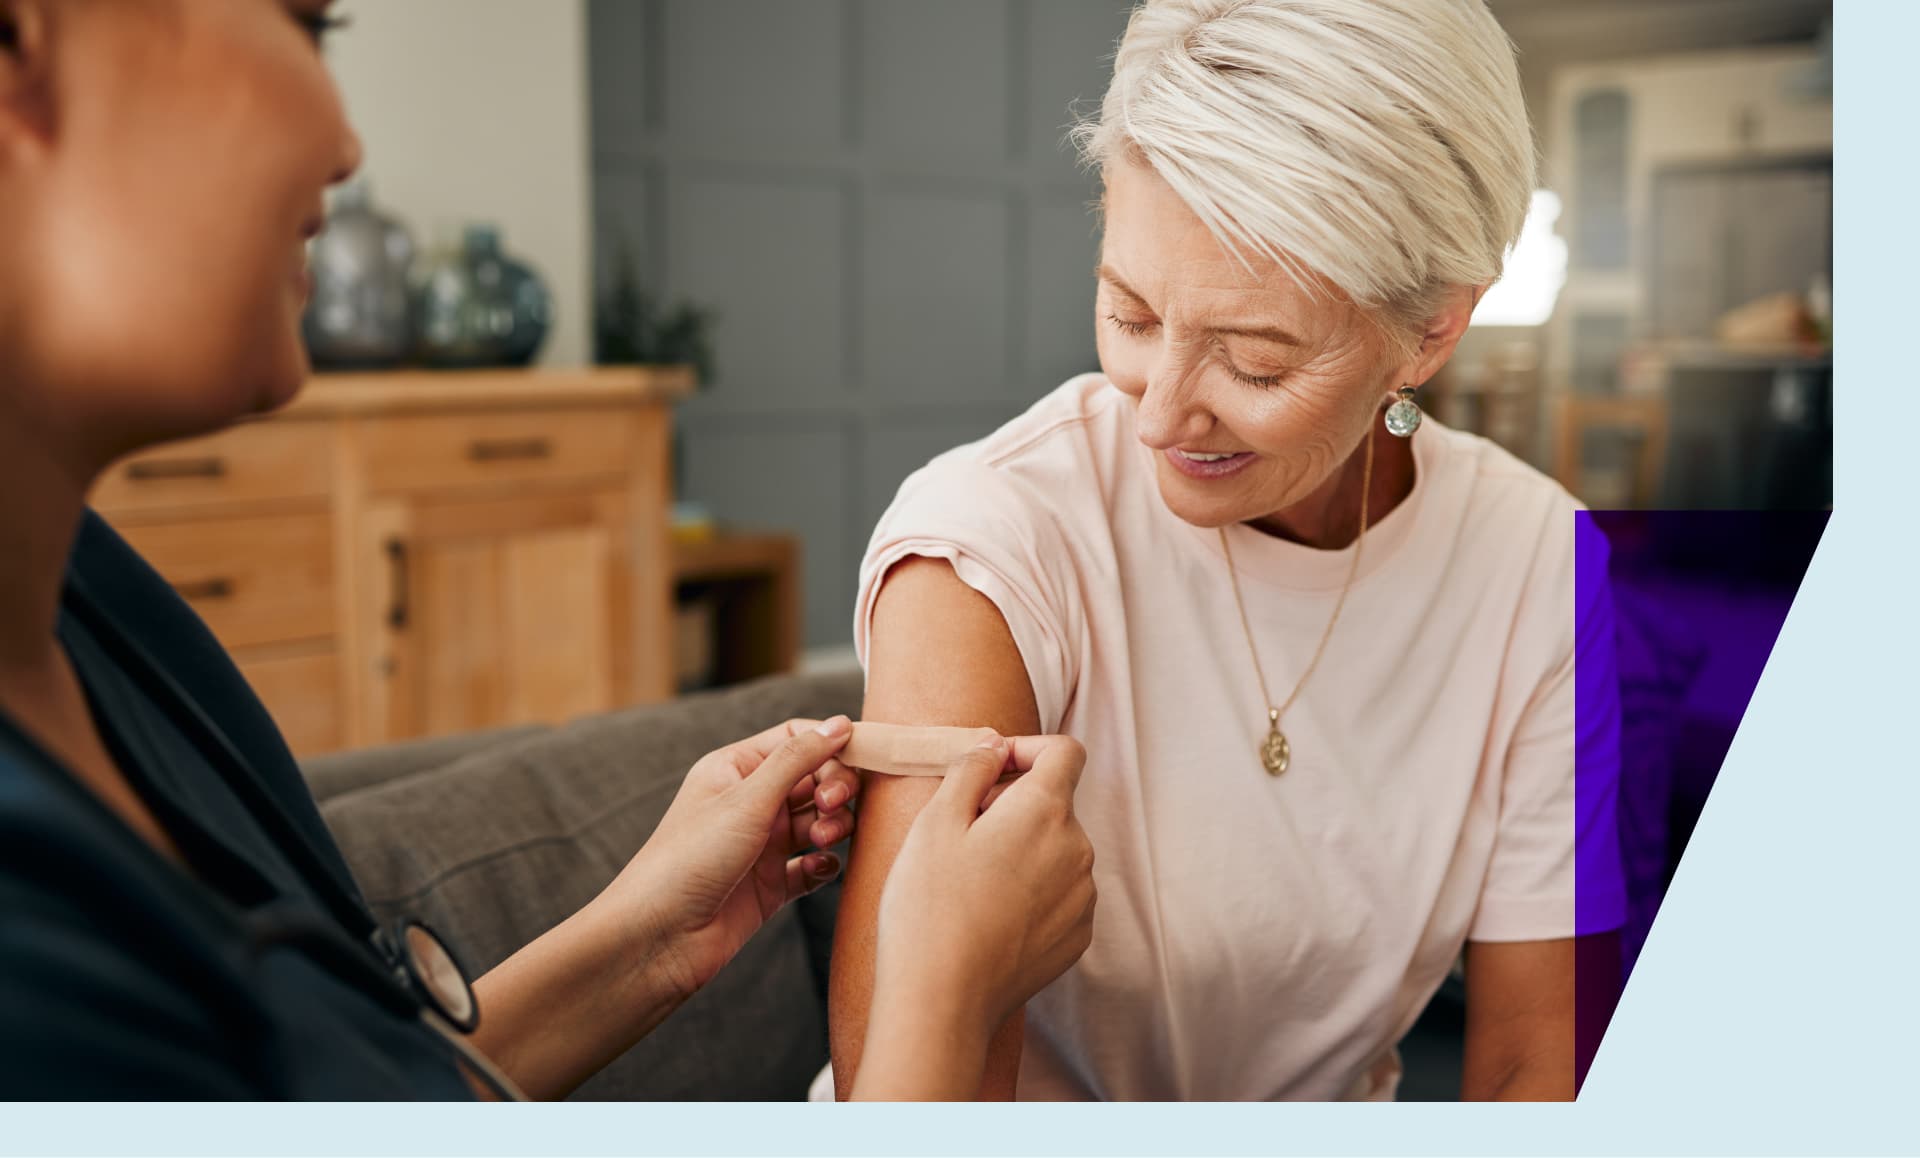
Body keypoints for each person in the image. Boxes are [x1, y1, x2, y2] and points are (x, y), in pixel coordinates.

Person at [0, 0, 1095, 1100]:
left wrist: (644, 942)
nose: (345, 147)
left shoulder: (100, 618)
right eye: (308, 25)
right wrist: (944, 993)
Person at [830, 0, 1625, 1101]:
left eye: (1255, 364)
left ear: (1435, 328)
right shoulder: (986, 546)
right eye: (1131, 315)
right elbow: (925, 1091)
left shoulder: (1543, 566)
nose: (1156, 420)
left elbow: (1540, 1065)